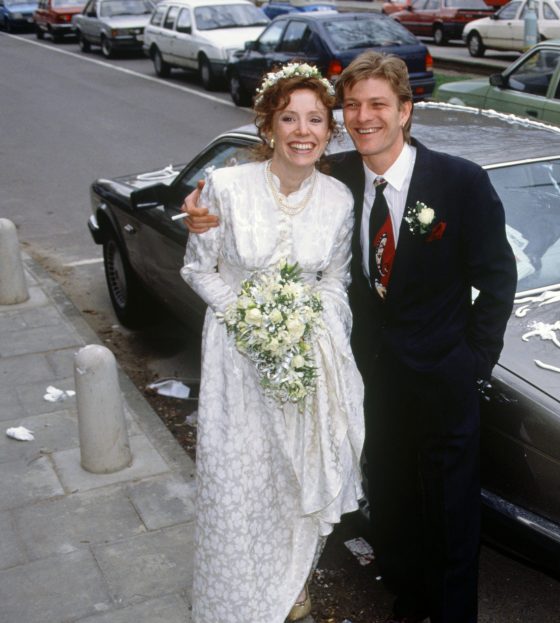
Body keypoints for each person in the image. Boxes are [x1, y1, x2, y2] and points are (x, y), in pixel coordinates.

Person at [185, 51, 517, 623]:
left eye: (378, 105)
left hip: (443, 383)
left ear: (406, 111)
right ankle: (409, 604)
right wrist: (196, 208)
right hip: (373, 384)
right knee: (391, 509)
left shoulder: (459, 182)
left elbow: (497, 280)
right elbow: (272, 165)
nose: (364, 117)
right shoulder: (338, 177)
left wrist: (472, 364)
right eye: (354, 106)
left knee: (451, 517)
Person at [180, 63, 365, 623]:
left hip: (306, 361)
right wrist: (251, 319)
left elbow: (337, 277)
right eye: (290, 118)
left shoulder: (337, 199)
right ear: (268, 127)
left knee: (292, 477)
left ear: (329, 130)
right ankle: (230, 599)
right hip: (236, 358)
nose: (303, 130)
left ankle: (291, 590)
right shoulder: (226, 188)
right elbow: (197, 268)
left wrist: (311, 321)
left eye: (316, 119)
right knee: (237, 485)